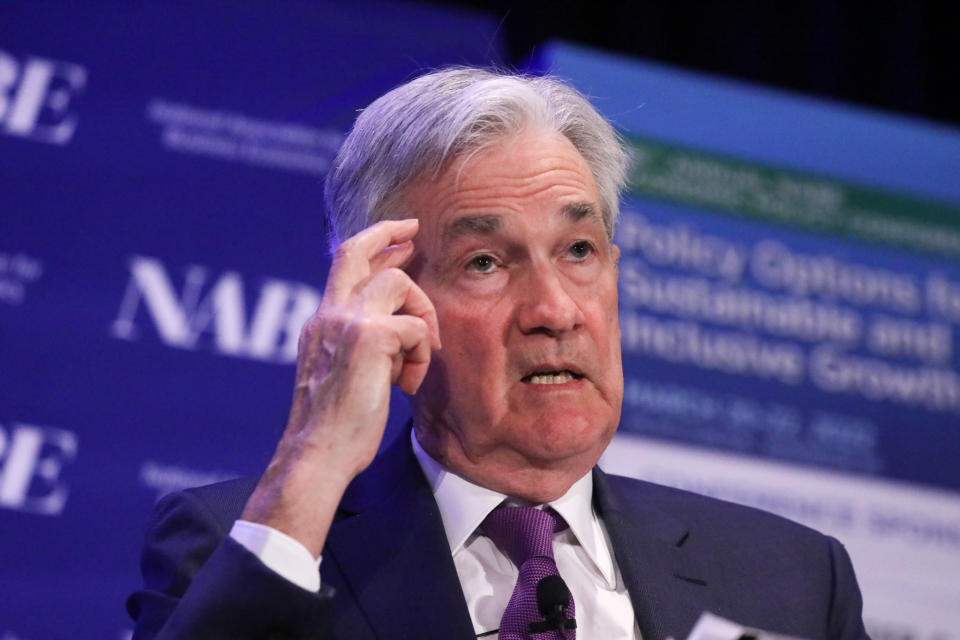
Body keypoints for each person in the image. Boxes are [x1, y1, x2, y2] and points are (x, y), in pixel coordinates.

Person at [128, 68, 869, 640]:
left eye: (578, 250)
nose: (554, 311)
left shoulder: (794, 580)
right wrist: (314, 461)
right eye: (485, 262)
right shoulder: (242, 550)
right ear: (387, 304)